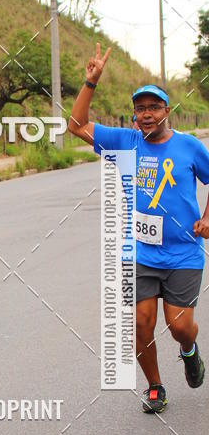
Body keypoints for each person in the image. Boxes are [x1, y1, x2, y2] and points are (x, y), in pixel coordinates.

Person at [68, 43, 209, 412]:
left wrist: (207, 217)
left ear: (168, 111)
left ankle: (189, 350)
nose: (147, 115)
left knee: (179, 326)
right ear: (134, 116)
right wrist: (90, 82)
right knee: (141, 324)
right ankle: (155, 386)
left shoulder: (190, 147)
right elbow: (76, 124)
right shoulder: (126, 142)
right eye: (140, 109)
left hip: (183, 253)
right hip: (140, 253)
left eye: (154, 108)